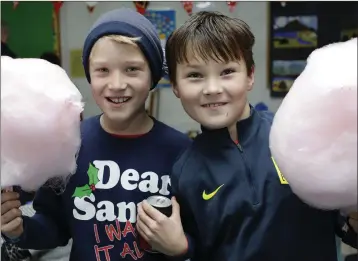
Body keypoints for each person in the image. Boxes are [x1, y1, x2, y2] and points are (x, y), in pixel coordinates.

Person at [136, 11, 358, 261]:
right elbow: (201, 247)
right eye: (195, 75)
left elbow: (342, 221)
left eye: (227, 72)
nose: (212, 89)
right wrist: (182, 248)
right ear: (176, 86)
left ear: (250, 76)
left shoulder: (296, 137)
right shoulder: (185, 172)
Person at [1, 8, 191, 261]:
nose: (116, 84)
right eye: (103, 70)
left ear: (153, 76)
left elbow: (198, 234)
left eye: (132, 69)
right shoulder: (67, 144)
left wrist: (183, 246)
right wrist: (19, 230)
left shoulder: (181, 151)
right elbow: (54, 228)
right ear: (90, 76)